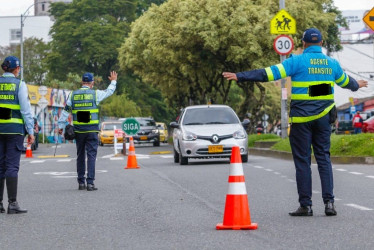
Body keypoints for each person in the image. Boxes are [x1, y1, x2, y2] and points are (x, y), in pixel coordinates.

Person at [223, 28, 368, 216]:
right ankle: (329, 204)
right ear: (322, 44)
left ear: (303, 44)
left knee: (303, 162)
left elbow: (269, 73)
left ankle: (306, 205)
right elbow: (347, 82)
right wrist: (358, 84)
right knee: (324, 158)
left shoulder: (296, 61)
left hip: (301, 121)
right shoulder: (332, 64)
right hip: (324, 119)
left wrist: (240, 76)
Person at [58, 71, 117, 191]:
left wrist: (60, 125)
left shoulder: (73, 95)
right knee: (91, 156)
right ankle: (90, 183)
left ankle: (81, 182)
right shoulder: (95, 94)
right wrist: (113, 81)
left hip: (79, 131)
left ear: (82, 82)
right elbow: (109, 92)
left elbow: (65, 111)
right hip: (92, 131)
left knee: (80, 156)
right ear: (92, 83)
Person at [0, 56, 34, 214]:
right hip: (14, 130)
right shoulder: (19, 84)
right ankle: (12, 204)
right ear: (16, 69)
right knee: (11, 166)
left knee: (0, 166)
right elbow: (25, 110)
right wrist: (31, 131)